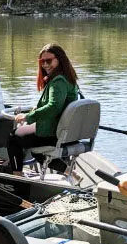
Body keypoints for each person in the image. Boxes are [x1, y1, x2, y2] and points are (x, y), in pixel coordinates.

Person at [7, 44, 80, 173]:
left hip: (54, 133)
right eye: (42, 61)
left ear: (59, 59)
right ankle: (69, 172)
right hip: (65, 132)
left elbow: (54, 107)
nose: (45, 65)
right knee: (36, 153)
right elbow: (58, 103)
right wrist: (38, 108)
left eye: (49, 60)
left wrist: (28, 116)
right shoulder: (69, 78)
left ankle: (17, 177)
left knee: (13, 138)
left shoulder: (58, 81)